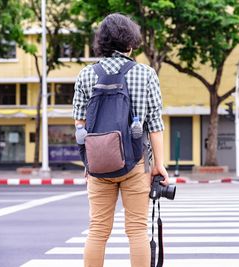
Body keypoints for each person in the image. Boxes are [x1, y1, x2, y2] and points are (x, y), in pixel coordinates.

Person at [72, 13, 169, 267]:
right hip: (135, 162)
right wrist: (159, 164)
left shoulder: (85, 75)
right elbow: (156, 124)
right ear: (131, 42)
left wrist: (88, 164)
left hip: (98, 165)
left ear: (102, 42)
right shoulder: (145, 74)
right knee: (136, 230)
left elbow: (80, 126)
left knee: (97, 230)